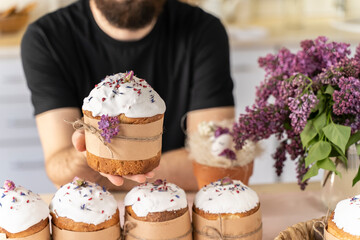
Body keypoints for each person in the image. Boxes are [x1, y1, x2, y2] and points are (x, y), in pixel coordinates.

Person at [21, 0, 235, 190]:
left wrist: (103, 171)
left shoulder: (204, 30)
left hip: (179, 203)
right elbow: (60, 167)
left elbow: (215, 159)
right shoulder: (46, 37)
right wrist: (87, 155)